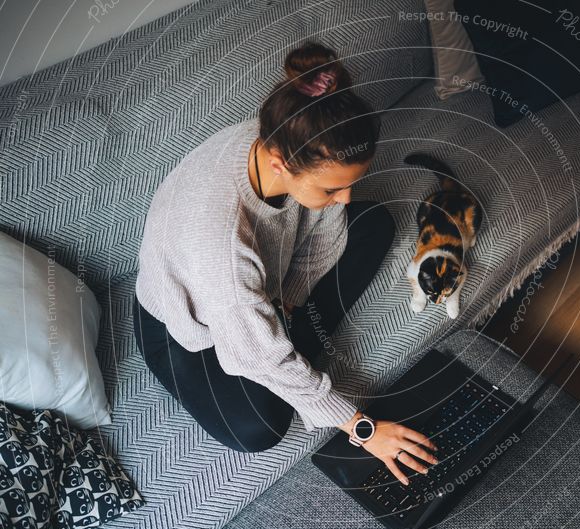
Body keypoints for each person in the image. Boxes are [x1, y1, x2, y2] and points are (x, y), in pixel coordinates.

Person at [133, 42, 436, 485]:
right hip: (185, 323)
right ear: (280, 165)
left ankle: (277, 336)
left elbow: (326, 226)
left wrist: (288, 301)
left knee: (372, 222)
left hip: (257, 287)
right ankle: (274, 348)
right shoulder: (220, 248)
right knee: (261, 427)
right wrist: (362, 428)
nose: (344, 197)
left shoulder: (284, 130)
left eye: (349, 184)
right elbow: (236, 286)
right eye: (333, 188)